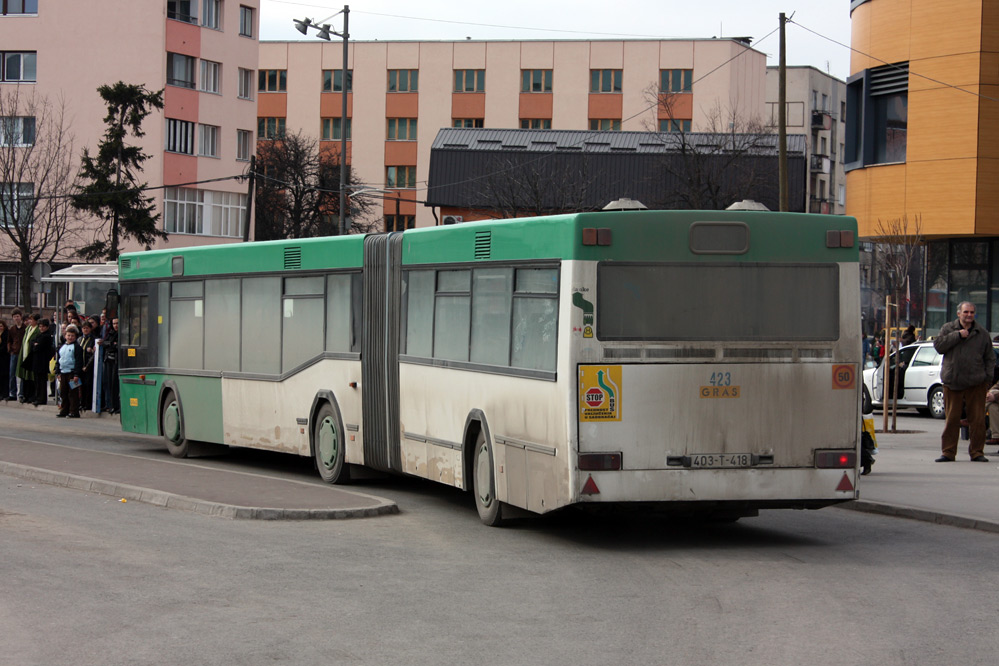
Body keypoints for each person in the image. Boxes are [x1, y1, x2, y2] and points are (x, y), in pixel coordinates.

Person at [933, 301, 994, 462]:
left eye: (972, 312)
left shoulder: (982, 333)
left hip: (976, 383)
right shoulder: (948, 329)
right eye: (966, 312)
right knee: (952, 419)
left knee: (978, 420)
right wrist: (958, 335)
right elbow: (939, 346)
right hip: (953, 382)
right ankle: (948, 452)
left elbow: (989, 358)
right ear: (958, 313)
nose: (969, 315)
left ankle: (977, 452)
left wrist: (987, 379)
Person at [55, 324, 83, 418]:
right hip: (63, 373)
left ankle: (74, 411)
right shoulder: (62, 347)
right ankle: (64, 409)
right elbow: (58, 360)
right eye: (68, 335)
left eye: (72, 336)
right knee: (63, 392)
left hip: (72, 373)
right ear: (65, 336)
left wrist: (76, 374)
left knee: (73, 393)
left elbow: (79, 362)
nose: (70, 337)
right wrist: (58, 372)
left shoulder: (77, 347)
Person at [28, 317, 54, 406]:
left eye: (43, 326)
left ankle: (41, 398)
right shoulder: (39, 335)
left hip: (42, 361)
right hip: (37, 361)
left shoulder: (46, 336)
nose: (41, 328)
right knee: (37, 380)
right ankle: (37, 397)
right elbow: (32, 342)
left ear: (47, 327)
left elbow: (37, 347)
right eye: (40, 326)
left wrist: (35, 345)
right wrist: (34, 344)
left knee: (41, 381)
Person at [17, 313, 39, 403]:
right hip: (25, 355)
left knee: (31, 377)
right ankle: (25, 395)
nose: (30, 321)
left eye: (32, 320)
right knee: (25, 377)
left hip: (31, 356)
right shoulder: (28, 328)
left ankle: (32, 396)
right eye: (30, 319)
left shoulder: (37, 330)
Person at [78, 319, 96, 412]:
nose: (85, 330)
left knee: (88, 385)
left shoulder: (93, 339)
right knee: (80, 386)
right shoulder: (80, 339)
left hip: (88, 366)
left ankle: (87, 404)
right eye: (84, 328)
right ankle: (81, 403)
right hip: (80, 366)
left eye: (87, 328)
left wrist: (87, 366)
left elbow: (93, 355)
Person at [7, 308, 24, 400]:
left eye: (17, 316)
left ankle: (21, 393)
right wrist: (10, 349)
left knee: (21, 374)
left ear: (20, 317)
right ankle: (13, 393)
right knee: (12, 374)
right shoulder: (12, 329)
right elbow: (9, 340)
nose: (16, 318)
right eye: (14, 317)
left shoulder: (25, 328)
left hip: (22, 354)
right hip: (14, 353)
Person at [0, 319, 9, 402]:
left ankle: (5, 393)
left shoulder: (6, 334)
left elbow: (5, 345)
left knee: (4, 376)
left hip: (4, 357)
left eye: (1, 326)